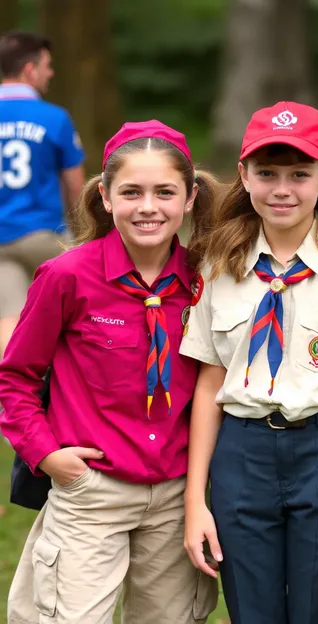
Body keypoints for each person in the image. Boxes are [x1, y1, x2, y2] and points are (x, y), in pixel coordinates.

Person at [180, 101, 318, 623]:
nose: (283, 189)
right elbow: (209, 385)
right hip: (241, 456)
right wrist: (197, 500)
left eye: (300, 174)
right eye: (268, 174)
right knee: (251, 611)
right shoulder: (219, 264)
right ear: (244, 175)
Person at [0, 120, 218, 623]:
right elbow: (15, 376)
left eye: (165, 192)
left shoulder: (206, 280)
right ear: (104, 196)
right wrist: (47, 455)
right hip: (91, 492)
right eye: (131, 192)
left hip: (176, 495)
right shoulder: (65, 276)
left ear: (188, 198)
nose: (148, 206)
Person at [0, 30, 85, 357]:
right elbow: (75, 184)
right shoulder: (54, 118)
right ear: (29, 70)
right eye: (46, 65)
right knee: (86, 295)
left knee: (9, 316)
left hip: (1, 240)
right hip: (43, 236)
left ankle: (10, 397)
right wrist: (83, 233)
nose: (51, 73)